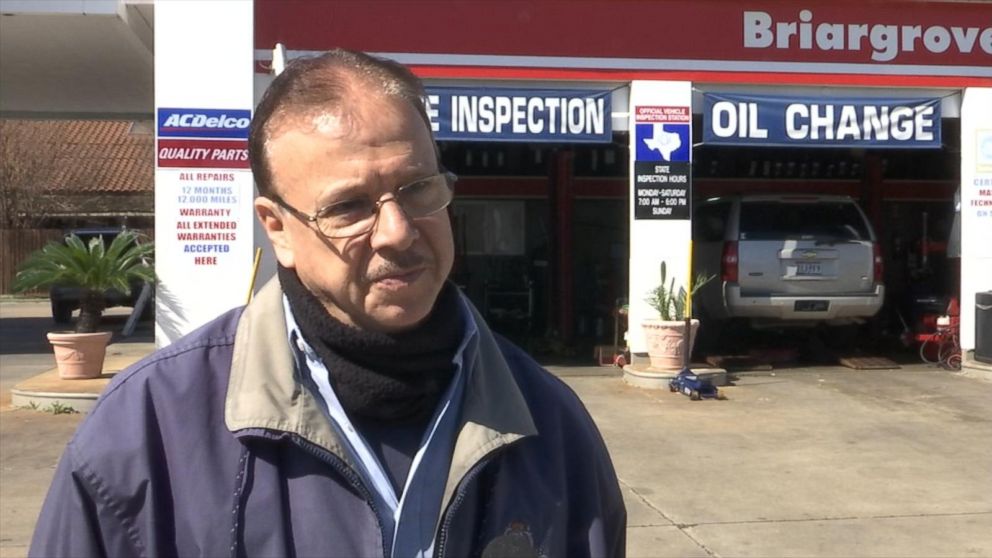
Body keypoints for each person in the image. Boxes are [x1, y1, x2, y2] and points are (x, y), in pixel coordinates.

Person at [29, 49, 626, 558]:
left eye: (418, 189)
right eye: (349, 207)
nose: (397, 231)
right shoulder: (146, 431)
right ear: (278, 229)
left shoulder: (551, 426)